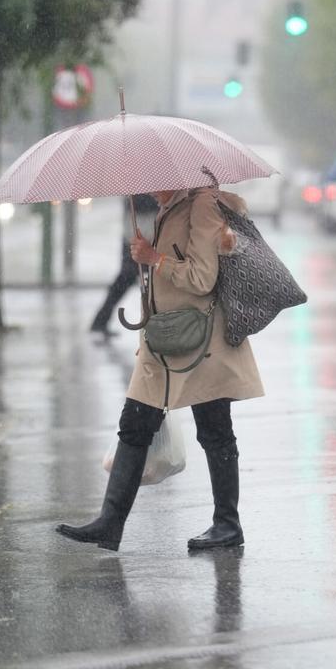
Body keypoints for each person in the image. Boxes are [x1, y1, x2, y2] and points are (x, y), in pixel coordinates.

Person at [58, 185, 263, 552]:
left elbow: (203, 278)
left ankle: (227, 524)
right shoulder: (168, 207)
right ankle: (110, 522)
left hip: (201, 341)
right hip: (164, 341)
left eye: (154, 182)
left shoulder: (200, 205)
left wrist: (155, 259)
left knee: (214, 429)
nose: (148, 189)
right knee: (134, 425)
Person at [89, 194, 159, 337]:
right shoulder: (139, 191)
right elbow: (143, 206)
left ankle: (101, 320)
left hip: (140, 239)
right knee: (126, 280)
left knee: (128, 282)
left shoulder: (136, 189)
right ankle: (100, 321)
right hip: (138, 240)